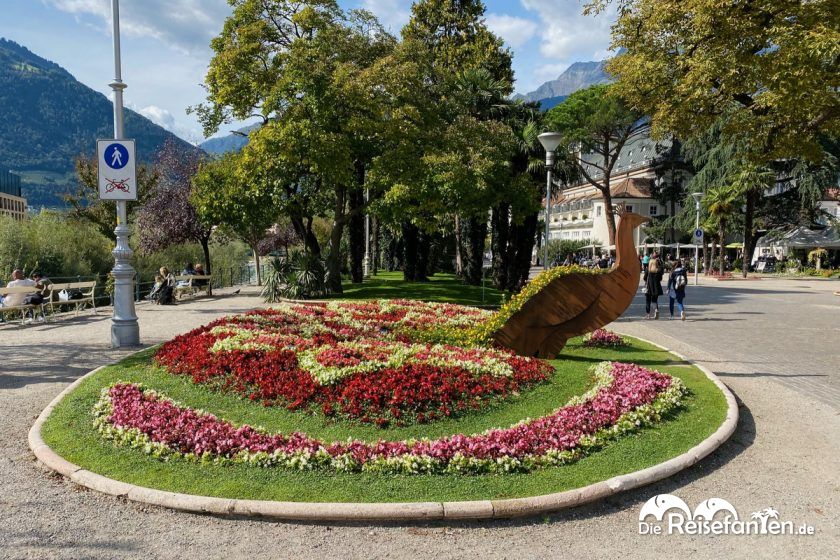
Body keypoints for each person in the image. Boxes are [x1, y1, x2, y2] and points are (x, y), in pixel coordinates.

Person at [643, 253, 664, 319]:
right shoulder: (658, 271)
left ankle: (648, 315)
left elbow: (644, 278)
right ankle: (656, 310)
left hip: (649, 287)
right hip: (656, 288)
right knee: (654, 300)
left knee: (648, 301)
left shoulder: (647, 271)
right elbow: (660, 279)